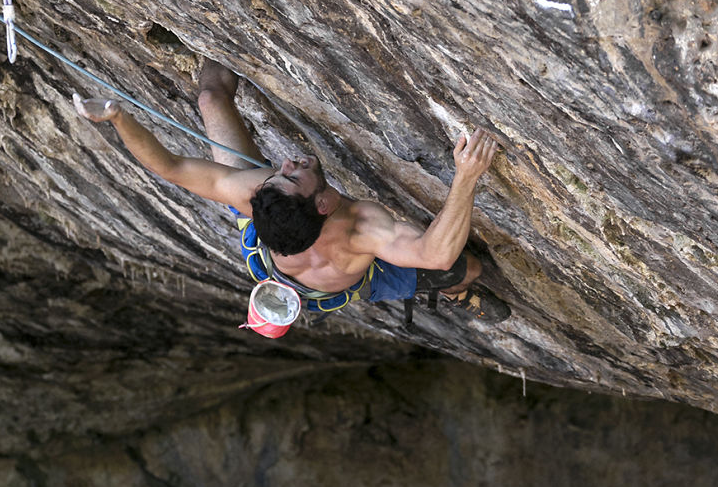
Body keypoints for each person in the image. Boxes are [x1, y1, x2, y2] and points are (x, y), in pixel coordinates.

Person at [73, 60, 510, 323]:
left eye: (279, 175)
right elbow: (437, 255)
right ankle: (453, 294)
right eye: (293, 175)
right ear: (325, 202)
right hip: (339, 282)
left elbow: (170, 167)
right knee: (466, 268)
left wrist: (118, 119)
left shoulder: (258, 194)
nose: (287, 163)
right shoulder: (361, 231)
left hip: (279, 252)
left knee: (210, 99)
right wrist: (466, 176)